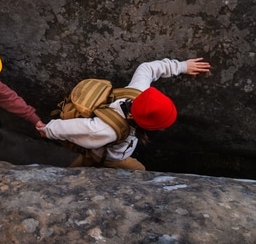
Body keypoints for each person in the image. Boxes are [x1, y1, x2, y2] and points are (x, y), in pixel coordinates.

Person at [38, 57, 212, 169]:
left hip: (100, 148)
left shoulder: (138, 92)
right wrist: (48, 130)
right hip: (109, 158)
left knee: (77, 168)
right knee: (140, 172)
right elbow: (74, 128)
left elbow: (147, 68)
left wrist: (181, 66)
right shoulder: (106, 130)